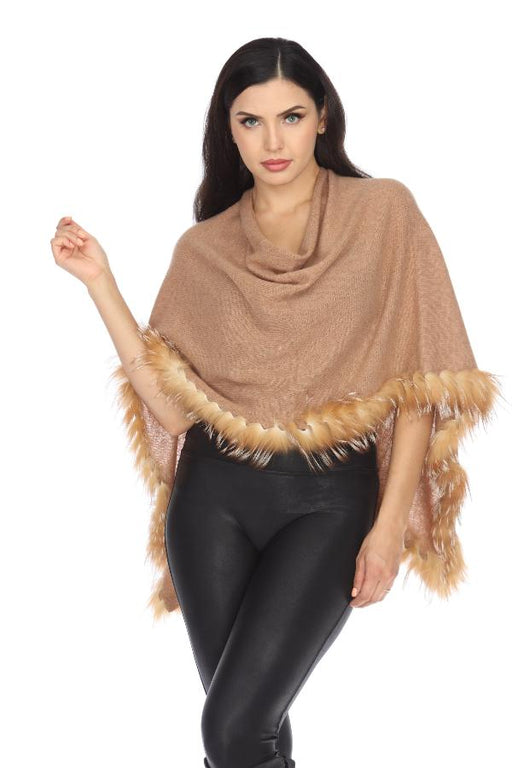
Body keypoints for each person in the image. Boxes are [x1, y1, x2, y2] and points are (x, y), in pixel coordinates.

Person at [50, 37, 501, 768]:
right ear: (227, 131)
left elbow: (418, 385)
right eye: (250, 121)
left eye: (290, 117)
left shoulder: (383, 214)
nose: (273, 141)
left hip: (327, 502)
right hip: (211, 503)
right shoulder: (204, 249)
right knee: (250, 734)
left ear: (322, 116)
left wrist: (388, 530)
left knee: (234, 730)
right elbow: (174, 411)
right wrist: (101, 282)